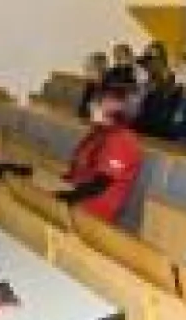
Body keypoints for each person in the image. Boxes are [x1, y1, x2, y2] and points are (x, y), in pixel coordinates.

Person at [60, 84, 142, 223]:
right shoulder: (99, 132)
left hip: (92, 209)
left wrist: (64, 196)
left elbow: (100, 184)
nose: (90, 105)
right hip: (77, 195)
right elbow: (80, 168)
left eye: (97, 103)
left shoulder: (120, 140)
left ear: (113, 109)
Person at [134, 53, 186, 148]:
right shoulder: (172, 94)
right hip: (165, 142)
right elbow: (162, 122)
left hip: (184, 146)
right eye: (181, 71)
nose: (183, 75)